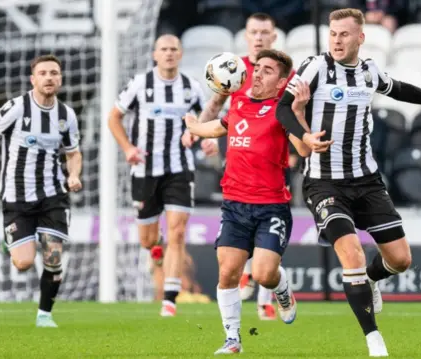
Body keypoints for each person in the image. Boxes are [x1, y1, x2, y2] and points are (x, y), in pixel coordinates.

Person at [275, 8, 421, 357]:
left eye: (344, 34)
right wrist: (304, 134)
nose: (336, 39)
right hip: (325, 183)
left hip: (367, 181)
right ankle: (373, 339)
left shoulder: (368, 72)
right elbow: (283, 109)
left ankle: (373, 280)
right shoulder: (315, 67)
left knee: (400, 260)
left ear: (360, 38)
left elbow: (400, 90)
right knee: (351, 256)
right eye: (333, 33)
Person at [184, 49, 315, 355]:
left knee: (263, 275)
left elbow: (304, 150)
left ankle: (281, 289)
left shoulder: (282, 110)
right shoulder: (239, 102)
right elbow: (218, 127)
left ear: (282, 81)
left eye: (267, 71)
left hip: (271, 206)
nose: (257, 74)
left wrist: (298, 111)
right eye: (257, 68)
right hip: (234, 205)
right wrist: (193, 126)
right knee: (228, 272)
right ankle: (233, 339)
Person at [183, 12, 294, 321]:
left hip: (271, 164)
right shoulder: (233, 69)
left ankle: (265, 297)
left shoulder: (286, 76)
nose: (258, 37)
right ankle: (240, 324)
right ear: (246, 36)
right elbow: (217, 108)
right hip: (238, 162)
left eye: (264, 32)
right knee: (232, 261)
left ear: (274, 36)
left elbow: (295, 119)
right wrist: (196, 130)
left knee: (263, 263)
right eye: (253, 32)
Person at [0, 54, 83, 328]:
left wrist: (74, 174)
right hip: (17, 197)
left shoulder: (67, 115)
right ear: (33, 79)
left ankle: (44, 314)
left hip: (53, 195)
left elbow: (73, 153)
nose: (49, 78)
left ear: (60, 78)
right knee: (23, 263)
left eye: (54, 73)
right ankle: (11, 243)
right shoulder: (17, 108)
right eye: (42, 73)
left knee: (53, 257)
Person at [107, 34, 218, 316]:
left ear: (180, 55)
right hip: (144, 169)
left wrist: (208, 140)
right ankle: (156, 251)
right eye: (164, 49)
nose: (169, 53)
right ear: (155, 55)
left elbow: (207, 121)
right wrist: (128, 147)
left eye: (174, 49)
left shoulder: (191, 88)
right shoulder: (140, 83)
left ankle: (170, 298)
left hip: (180, 169)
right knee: (148, 240)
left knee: (178, 232)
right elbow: (113, 117)